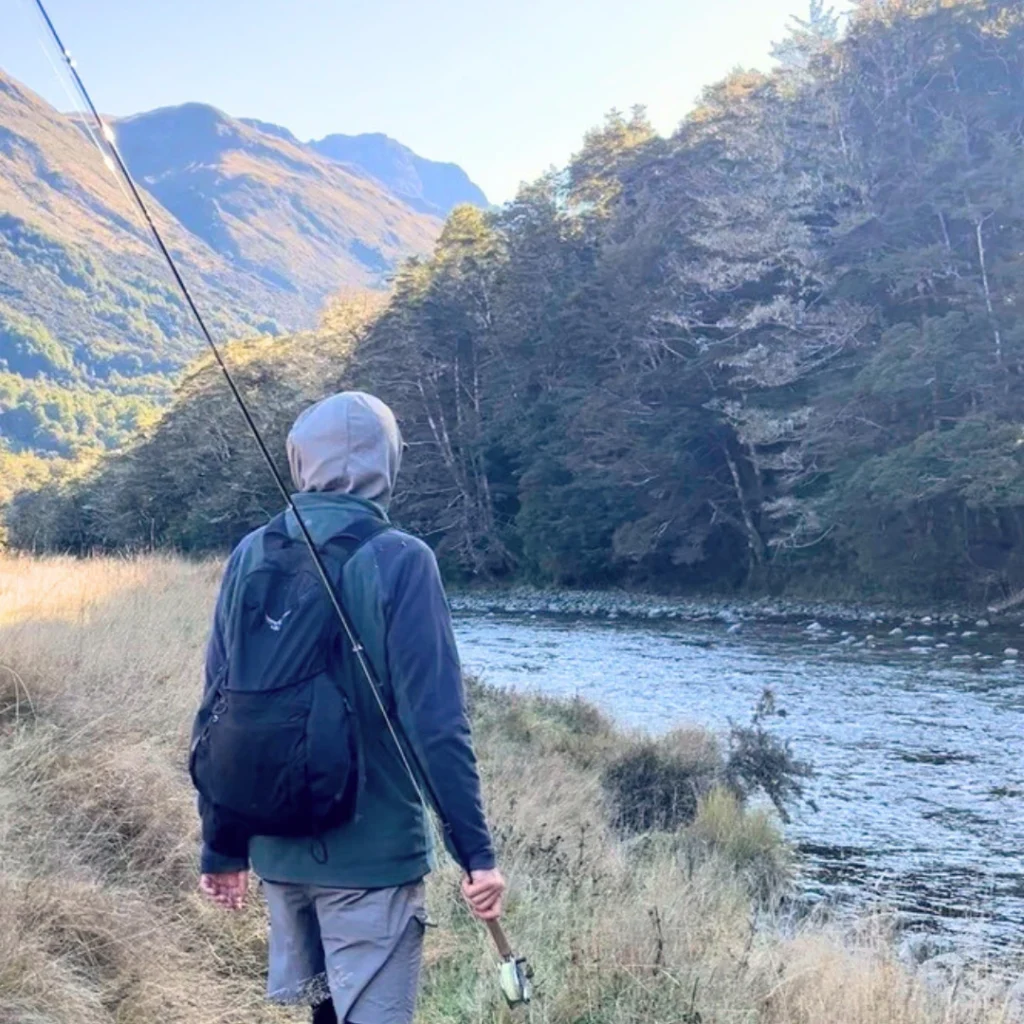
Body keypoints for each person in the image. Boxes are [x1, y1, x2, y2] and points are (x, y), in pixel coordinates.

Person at [194, 391, 505, 1024]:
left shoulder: (250, 553)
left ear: (299, 458)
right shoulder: (403, 559)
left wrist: (222, 849)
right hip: (373, 856)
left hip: (277, 852)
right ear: (387, 462)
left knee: (323, 1017)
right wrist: (476, 855)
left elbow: (218, 708)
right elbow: (437, 725)